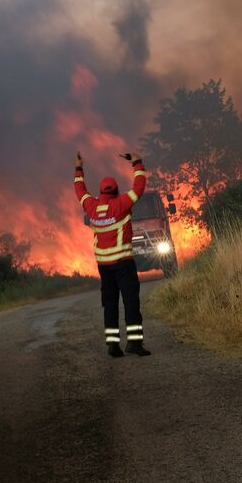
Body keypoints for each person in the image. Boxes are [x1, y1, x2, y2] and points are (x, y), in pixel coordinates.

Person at [74, 150, 151, 357]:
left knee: (110, 305)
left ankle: (113, 345)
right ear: (116, 191)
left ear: (100, 192)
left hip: (104, 268)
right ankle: (134, 343)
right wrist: (137, 163)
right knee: (131, 302)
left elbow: (80, 191)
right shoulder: (120, 204)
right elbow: (139, 187)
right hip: (123, 264)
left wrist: (78, 168)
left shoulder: (91, 207)